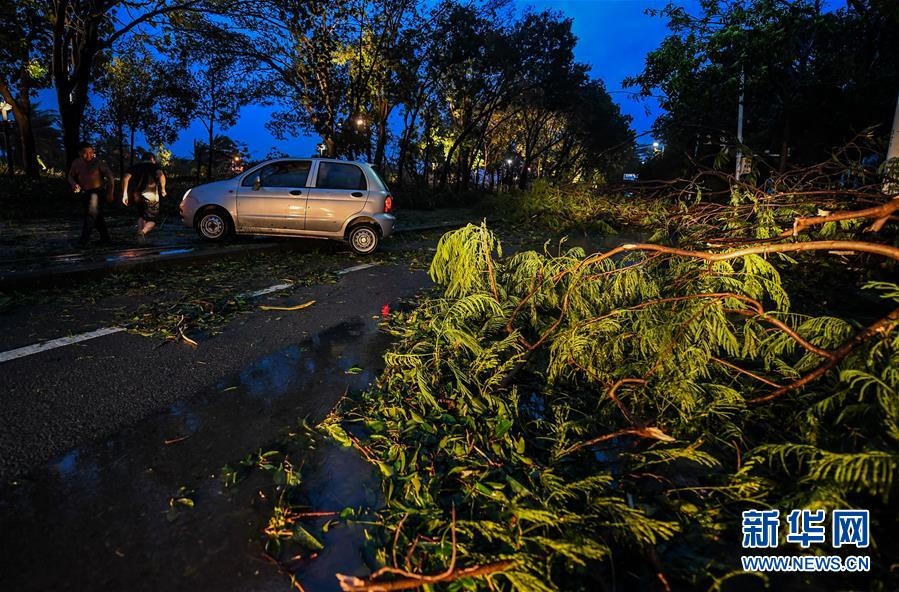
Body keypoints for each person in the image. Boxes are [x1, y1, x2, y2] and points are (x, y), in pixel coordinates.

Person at [67, 142, 115, 246]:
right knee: (97, 216)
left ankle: (83, 240)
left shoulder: (98, 162)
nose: (89, 155)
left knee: (91, 214)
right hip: (85, 193)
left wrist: (110, 193)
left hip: (97, 192)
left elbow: (110, 177)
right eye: (85, 153)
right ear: (79, 153)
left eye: (91, 152)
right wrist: (74, 184)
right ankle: (105, 237)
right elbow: (70, 176)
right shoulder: (76, 163)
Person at [122, 150, 167, 242]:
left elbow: (125, 177)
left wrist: (125, 193)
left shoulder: (134, 167)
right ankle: (142, 232)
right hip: (151, 195)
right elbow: (161, 175)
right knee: (153, 220)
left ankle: (140, 234)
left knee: (141, 216)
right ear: (152, 159)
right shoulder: (154, 166)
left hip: (136, 195)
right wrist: (163, 189)